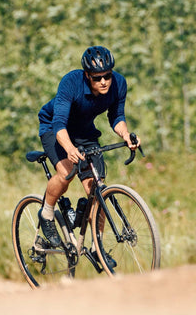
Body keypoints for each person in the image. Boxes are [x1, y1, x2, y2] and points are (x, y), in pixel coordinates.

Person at [37, 45, 140, 247]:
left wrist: (126, 135)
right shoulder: (71, 82)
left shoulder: (119, 83)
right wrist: (69, 148)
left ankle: (97, 247)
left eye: (107, 76)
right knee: (67, 172)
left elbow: (116, 116)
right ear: (87, 75)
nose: (103, 82)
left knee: (96, 188)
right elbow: (59, 124)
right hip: (54, 127)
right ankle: (47, 213)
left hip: (84, 130)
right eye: (97, 78)